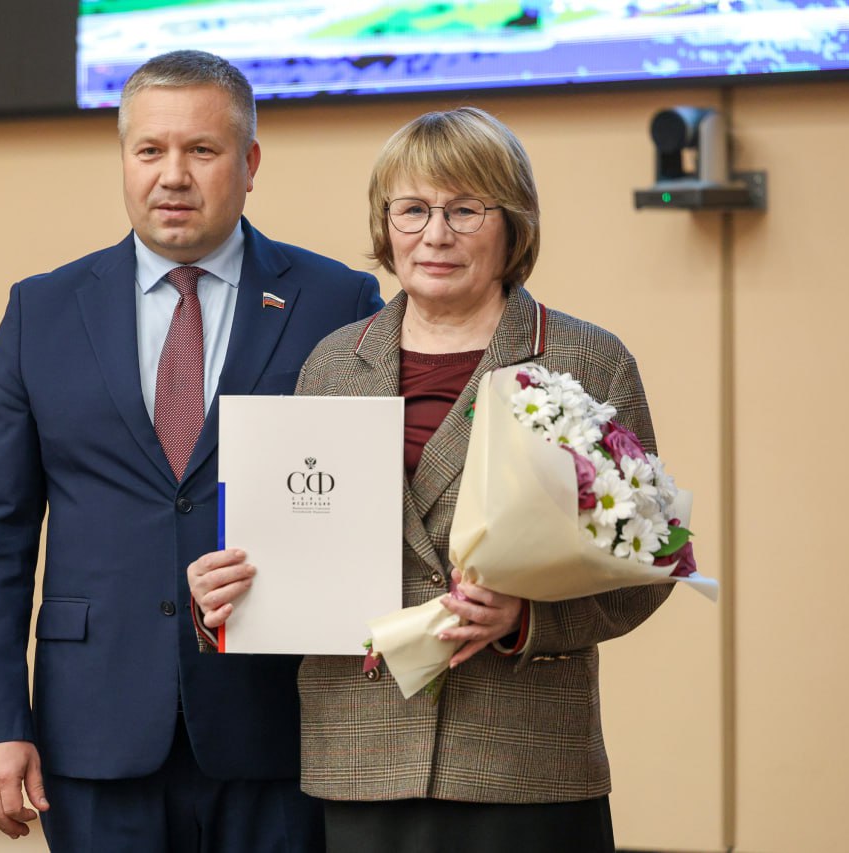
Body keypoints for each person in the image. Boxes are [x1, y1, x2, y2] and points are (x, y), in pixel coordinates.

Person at [188, 106, 670, 852]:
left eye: (464, 209)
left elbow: (649, 567)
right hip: (361, 756)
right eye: (412, 209)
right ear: (386, 226)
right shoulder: (330, 364)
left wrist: (525, 620)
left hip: (523, 760)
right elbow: (295, 553)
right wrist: (227, 600)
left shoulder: (584, 361)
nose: (435, 234)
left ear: (512, 224)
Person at [0, 50, 382, 852]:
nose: (172, 175)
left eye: (202, 151)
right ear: (124, 160)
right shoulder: (40, 311)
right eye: (150, 150)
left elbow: (369, 506)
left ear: (249, 164)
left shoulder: (338, 301)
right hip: (93, 730)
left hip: (275, 730)